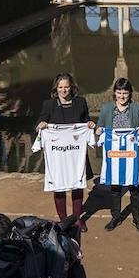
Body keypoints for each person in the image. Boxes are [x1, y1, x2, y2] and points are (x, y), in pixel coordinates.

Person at [36, 72, 95, 231]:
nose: (64, 90)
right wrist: (41, 124)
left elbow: (86, 120)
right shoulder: (49, 105)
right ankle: (63, 220)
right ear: (56, 88)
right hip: (58, 154)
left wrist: (89, 124)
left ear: (71, 87)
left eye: (66, 87)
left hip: (75, 153)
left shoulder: (80, 102)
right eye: (61, 87)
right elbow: (39, 123)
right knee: (59, 186)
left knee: (78, 185)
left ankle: (76, 219)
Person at [96, 77, 139, 233]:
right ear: (114, 93)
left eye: (125, 93)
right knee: (115, 187)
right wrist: (98, 130)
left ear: (130, 94)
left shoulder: (137, 108)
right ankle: (116, 217)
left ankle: (137, 219)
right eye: (119, 93)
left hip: (131, 154)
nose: (122, 96)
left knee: (135, 188)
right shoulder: (106, 109)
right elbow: (100, 126)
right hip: (114, 154)